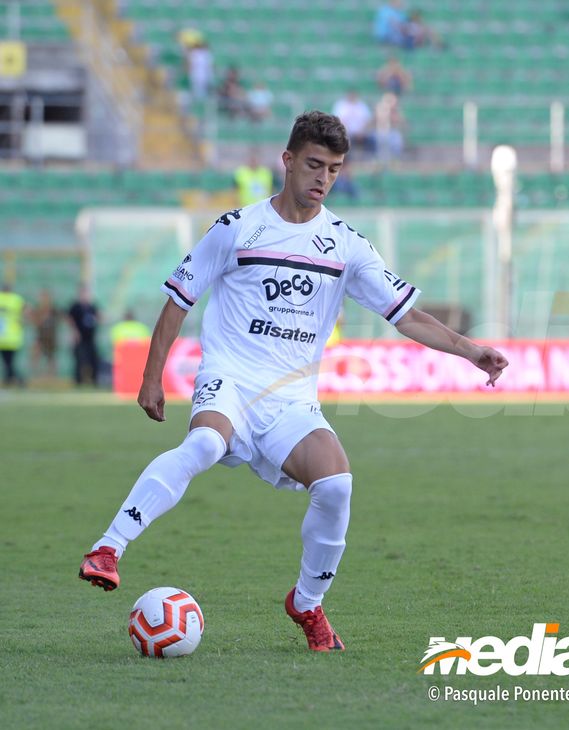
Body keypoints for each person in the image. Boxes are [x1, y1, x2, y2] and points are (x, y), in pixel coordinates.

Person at [78, 110, 509, 652]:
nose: (323, 178)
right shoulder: (237, 227)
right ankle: (108, 548)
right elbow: (179, 300)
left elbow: (406, 316)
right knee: (206, 443)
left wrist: (471, 351)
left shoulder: (346, 245)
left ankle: (307, 603)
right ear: (287, 160)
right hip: (230, 380)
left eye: (334, 169)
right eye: (314, 164)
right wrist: (151, 376)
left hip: (291, 400)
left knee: (337, 485)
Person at [69, 286, 102, 386]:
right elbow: (70, 319)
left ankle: (94, 380)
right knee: (80, 360)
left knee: (94, 359)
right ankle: (78, 381)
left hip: (90, 338)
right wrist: (74, 332)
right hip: (80, 339)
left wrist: (99, 319)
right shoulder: (76, 307)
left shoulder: (92, 307)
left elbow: (98, 317)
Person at [0, 283, 26, 386]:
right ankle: (10, 379)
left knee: (8, 363)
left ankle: (16, 379)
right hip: (10, 338)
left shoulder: (15, 299)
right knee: (8, 363)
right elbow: (26, 311)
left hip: (7, 338)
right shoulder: (16, 299)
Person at [30, 288, 59, 379]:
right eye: (42, 297)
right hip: (40, 337)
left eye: (46, 297)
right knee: (35, 354)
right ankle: (35, 375)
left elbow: (60, 320)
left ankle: (52, 376)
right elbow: (34, 321)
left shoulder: (53, 309)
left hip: (50, 337)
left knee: (51, 357)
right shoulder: (38, 310)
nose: (44, 299)